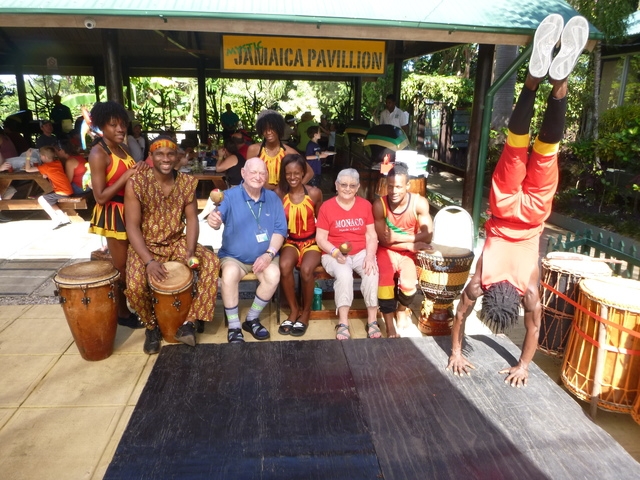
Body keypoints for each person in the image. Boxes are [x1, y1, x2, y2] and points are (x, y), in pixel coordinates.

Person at [447, 14, 589, 387]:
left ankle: (558, 86)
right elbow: (461, 319)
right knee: (516, 144)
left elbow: (532, 328)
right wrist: (458, 351)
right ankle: (532, 81)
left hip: (532, 214)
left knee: (546, 151)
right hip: (504, 205)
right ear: (492, 292)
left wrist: (523, 365)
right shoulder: (482, 281)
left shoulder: (528, 289)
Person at [124, 136, 220, 354]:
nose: (165, 159)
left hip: (176, 242)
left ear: (177, 157)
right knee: (135, 287)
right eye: (159, 154)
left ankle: (190, 322)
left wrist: (189, 251)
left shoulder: (187, 183)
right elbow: (132, 227)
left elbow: (192, 219)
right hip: (145, 246)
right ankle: (151, 327)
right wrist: (149, 261)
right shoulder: (137, 183)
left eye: (170, 154)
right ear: (151, 157)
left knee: (211, 262)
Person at [207, 157, 287, 343]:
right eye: (253, 172)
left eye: (262, 173)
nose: (258, 177)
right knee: (228, 276)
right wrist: (214, 221)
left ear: (267, 176)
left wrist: (269, 255)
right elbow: (216, 218)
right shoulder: (229, 196)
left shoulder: (273, 198)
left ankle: (251, 319)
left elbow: (280, 231)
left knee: (274, 275)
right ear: (243, 173)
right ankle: (234, 326)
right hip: (235, 257)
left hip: (264, 255)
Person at [87, 100, 148, 328]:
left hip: (131, 210)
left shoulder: (121, 147)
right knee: (121, 266)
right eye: (114, 125)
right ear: (102, 126)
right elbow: (100, 196)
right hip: (115, 214)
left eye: (123, 124)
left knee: (137, 261)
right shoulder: (98, 153)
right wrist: (126, 176)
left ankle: (137, 303)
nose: (121, 129)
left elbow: (130, 175)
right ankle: (122, 312)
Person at [315, 168, 380, 340]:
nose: (347, 188)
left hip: (361, 252)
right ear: (336, 185)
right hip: (333, 252)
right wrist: (335, 252)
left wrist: (370, 256)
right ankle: (343, 322)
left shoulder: (365, 205)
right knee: (344, 276)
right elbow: (320, 238)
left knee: (371, 272)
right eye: (343, 184)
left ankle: (372, 320)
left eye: (352, 185)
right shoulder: (326, 207)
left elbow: (371, 235)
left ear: (358, 187)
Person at [373, 162, 433, 337]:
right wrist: (411, 244)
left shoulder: (419, 203)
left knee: (408, 286)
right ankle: (390, 326)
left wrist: (399, 239)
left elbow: (427, 235)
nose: (394, 191)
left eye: (399, 186)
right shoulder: (380, 205)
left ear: (407, 185)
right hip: (387, 250)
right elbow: (383, 240)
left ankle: (401, 310)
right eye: (390, 186)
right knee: (384, 282)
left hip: (407, 253)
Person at [274, 154, 323, 337]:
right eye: (288, 174)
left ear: (303, 173)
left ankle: (306, 312)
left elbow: (322, 222)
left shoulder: (314, 193)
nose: (293, 177)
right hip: (291, 241)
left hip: (312, 242)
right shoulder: (280, 194)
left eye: (297, 173)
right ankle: (294, 310)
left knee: (307, 269)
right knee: (284, 266)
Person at [246, 110, 310, 190]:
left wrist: (293, 190)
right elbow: (247, 175)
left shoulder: (288, 151)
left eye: (272, 128)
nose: (268, 132)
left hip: (281, 197)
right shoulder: (254, 150)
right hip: (259, 196)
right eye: (264, 129)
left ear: (279, 128)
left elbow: (309, 172)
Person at [24, 145, 73, 229]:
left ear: (44, 157)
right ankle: (64, 218)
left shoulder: (46, 167)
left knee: (41, 199)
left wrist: (28, 157)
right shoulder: (57, 163)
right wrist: (46, 174)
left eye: (40, 156)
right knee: (49, 200)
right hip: (66, 190)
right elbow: (53, 172)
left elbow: (28, 169)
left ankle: (56, 219)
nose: (40, 157)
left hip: (62, 191)